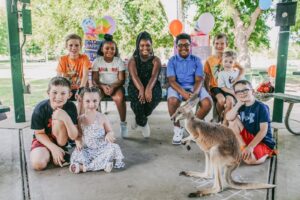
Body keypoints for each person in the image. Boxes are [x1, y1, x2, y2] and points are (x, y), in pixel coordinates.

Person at [167, 33, 212, 145]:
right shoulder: (172, 61)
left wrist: (194, 94)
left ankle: (193, 126)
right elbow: (172, 81)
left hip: (194, 87)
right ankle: (178, 129)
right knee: (172, 101)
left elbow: (199, 80)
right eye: (180, 45)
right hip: (177, 86)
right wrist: (184, 93)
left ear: (190, 46)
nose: (183, 48)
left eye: (186, 45)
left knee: (207, 103)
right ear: (176, 46)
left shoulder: (196, 60)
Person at [69, 87, 125, 173]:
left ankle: (83, 168)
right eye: (87, 101)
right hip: (87, 149)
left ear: (99, 100)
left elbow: (110, 131)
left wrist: (109, 134)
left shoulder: (102, 117)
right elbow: (78, 135)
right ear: (82, 101)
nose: (91, 104)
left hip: (102, 148)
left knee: (114, 147)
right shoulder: (80, 119)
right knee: (78, 152)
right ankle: (103, 165)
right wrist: (78, 141)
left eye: (95, 101)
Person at [30, 77, 79, 170]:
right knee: (38, 164)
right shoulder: (40, 108)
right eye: (54, 92)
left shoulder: (71, 107)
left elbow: (74, 136)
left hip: (61, 141)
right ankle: (54, 153)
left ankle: (61, 149)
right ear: (48, 93)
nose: (59, 97)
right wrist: (53, 148)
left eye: (63, 93)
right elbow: (39, 134)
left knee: (59, 118)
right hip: (44, 140)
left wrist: (66, 118)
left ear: (69, 95)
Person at [226, 80, 276, 165]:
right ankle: (243, 147)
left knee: (249, 160)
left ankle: (267, 152)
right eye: (238, 91)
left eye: (245, 90)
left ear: (252, 91)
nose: (242, 93)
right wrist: (238, 104)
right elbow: (228, 117)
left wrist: (251, 147)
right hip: (248, 138)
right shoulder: (241, 106)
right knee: (232, 120)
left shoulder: (261, 107)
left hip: (262, 141)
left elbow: (263, 131)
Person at [92, 34, 128, 138]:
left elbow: (121, 79)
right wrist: (103, 86)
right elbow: (95, 80)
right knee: (95, 97)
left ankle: (123, 123)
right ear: (102, 49)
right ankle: (99, 125)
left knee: (120, 97)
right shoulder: (97, 61)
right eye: (107, 48)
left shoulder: (118, 61)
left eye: (113, 48)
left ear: (115, 50)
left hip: (115, 86)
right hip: (101, 86)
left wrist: (112, 86)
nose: (110, 50)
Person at [127, 31, 162, 138]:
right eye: (142, 45)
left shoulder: (156, 60)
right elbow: (134, 76)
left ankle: (138, 118)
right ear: (138, 46)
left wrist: (148, 89)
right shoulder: (133, 60)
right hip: (136, 84)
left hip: (152, 84)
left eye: (147, 45)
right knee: (138, 100)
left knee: (153, 98)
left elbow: (154, 76)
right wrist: (142, 89)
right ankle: (143, 122)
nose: (145, 48)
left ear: (151, 46)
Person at [204, 33, 245, 122]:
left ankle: (225, 122)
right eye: (217, 43)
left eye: (222, 43)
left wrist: (237, 79)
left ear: (226, 44)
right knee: (221, 100)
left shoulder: (229, 58)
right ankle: (220, 116)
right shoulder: (209, 60)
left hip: (228, 87)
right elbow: (207, 76)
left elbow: (242, 69)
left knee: (230, 101)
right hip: (215, 87)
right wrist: (207, 90)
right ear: (213, 44)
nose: (219, 46)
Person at [57, 33, 91, 114]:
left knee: (81, 97)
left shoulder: (84, 58)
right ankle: (64, 120)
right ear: (66, 46)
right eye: (71, 45)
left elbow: (85, 75)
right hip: (67, 87)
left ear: (80, 46)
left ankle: (80, 120)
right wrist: (66, 90)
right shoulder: (63, 59)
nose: (74, 48)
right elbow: (58, 77)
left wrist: (80, 90)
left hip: (80, 86)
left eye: (76, 45)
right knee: (61, 98)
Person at [217, 50, 241, 125]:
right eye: (226, 61)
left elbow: (242, 83)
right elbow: (222, 87)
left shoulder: (236, 72)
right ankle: (224, 122)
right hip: (226, 91)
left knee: (232, 103)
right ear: (222, 61)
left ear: (234, 63)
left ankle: (227, 119)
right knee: (229, 101)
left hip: (235, 92)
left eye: (230, 62)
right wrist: (233, 93)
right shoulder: (221, 74)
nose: (227, 64)